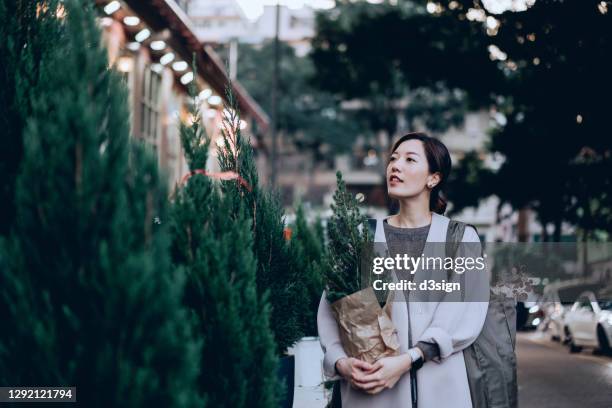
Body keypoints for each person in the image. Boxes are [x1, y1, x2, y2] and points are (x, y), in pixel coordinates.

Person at [317, 132, 490, 408]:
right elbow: (330, 307)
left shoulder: (459, 239)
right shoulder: (362, 236)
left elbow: (463, 315)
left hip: (441, 394)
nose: (395, 166)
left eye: (410, 160)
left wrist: (409, 359)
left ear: (433, 178)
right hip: (369, 393)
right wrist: (339, 363)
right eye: (393, 159)